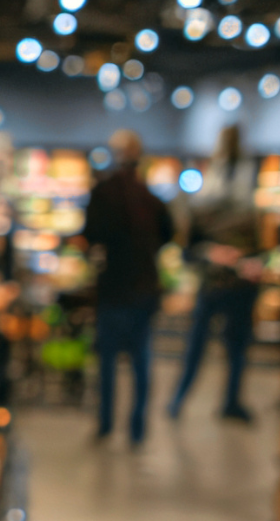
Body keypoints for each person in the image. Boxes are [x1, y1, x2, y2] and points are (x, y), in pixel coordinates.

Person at [79, 129, 175, 444]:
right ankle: (137, 428)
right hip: (145, 286)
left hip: (114, 287)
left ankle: (106, 424)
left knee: (107, 360)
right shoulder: (152, 198)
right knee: (141, 359)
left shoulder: (104, 194)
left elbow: (90, 236)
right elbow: (168, 237)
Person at [168, 124, 261, 422]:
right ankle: (178, 400)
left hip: (238, 288)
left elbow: (261, 250)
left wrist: (250, 262)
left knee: (234, 351)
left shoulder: (246, 205)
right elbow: (189, 251)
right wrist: (212, 253)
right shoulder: (207, 204)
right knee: (199, 348)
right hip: (215, 286)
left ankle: (228, 402)